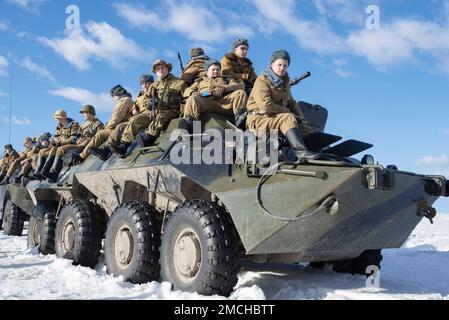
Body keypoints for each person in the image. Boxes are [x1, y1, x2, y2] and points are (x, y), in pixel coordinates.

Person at [246, 50, 319, 163]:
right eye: (279, 65)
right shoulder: (262, 80)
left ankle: (317, 151)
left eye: (285, 65)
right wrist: (288, 112)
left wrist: (301, 119)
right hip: (258, 119)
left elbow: (291, 102)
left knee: (304, 126)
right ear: (272, 65)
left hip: (272, 118)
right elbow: (266, 106)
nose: (282, 68)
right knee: (287, 118)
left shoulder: (284, 81)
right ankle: (301, 152)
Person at [93, 74, 155, 158]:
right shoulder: (140, 97)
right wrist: (133, 111)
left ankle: (124, 146)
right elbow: (134, 109)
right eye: (142, 84)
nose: (145, 86)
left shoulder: (156, 92)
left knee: (134, 120)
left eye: (147, 83)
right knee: (120, 126)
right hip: (140, 117)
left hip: (151, 115)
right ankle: (107, 149)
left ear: (152, 83)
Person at [71, 85, 133, 163]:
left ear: (117, 95)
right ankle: (81, 156)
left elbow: (116, 118)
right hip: (120, 127)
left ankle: (104, 151)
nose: (113, 99)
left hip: (123, 128)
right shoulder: (124, 101)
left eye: (113, 97)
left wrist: (107, 127)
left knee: (101, 133)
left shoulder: (124, 100)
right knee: (100, 133)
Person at [183, 59, 248, 130]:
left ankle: (240, 123)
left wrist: (224, 88)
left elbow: (239, 86)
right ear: (207, 72)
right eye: (213, 70)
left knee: (240, 93)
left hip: (224, 103)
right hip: (207, 103)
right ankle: (191, 126)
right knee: (193, 98)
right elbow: (186, 90)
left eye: (218, 70)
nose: (216, 71)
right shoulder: (199, 81)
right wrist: (193, 92)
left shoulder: (226, 79)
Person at [44, 105, 104, 182]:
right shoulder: (85, 122)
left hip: (86, 144)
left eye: (84, 113)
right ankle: (49, 172)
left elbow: (98, 138)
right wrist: (78, 139)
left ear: (90, 113)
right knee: (57, 149)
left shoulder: (98, 124)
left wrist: (86, 139)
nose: (83, 115)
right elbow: (78, 134)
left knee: (61, 149)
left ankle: (54, 173)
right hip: (78, 143)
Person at [135, 59, 187, 148]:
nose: (160, 70)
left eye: (162, 68)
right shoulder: (155, 85)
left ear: (167, 69)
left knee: (160, 117)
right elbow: (147, 97)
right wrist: (150, 103)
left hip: (173, 111)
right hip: (157, 111)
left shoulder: (179, 82)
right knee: (138, 119)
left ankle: (149, 137)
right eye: (158, 69)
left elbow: (186, 97)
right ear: (155, 72)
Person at [33, 109, 80, 179]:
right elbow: (57, 138)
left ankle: (54, 172)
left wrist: (60, 140)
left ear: (62, 117)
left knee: (59, 149)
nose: (55, 120)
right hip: (60, 145)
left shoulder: (74, 125)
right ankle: (40, 172)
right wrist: (53, 141)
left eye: (57, 118)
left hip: (73, 145)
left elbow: (73, 139)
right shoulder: (59, 126)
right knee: (42, 151)